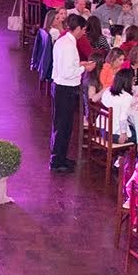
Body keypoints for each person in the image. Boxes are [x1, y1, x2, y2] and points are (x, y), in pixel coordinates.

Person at [50, 13, 86, 172]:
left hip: (60, 87)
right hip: (65, 88)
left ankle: (61, 157)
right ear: (77, 28)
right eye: (83, 29)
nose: (83, 32)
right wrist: (84, 68)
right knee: (63, 126)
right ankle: (57, 161)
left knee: (62, 125)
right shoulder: (69, 46)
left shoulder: (62, 41)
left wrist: (79, 65)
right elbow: (67, 72)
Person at [101, 68, 135, 146]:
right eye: (133, 80)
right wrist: (123, 133)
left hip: (103, 129)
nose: (134, 83)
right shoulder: (126, 97)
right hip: (114, 135)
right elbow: (123, 117)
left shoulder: (107, 91)